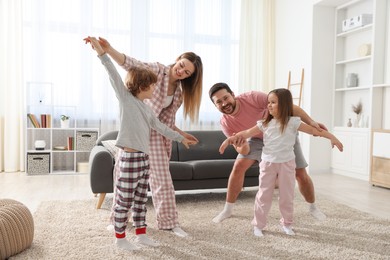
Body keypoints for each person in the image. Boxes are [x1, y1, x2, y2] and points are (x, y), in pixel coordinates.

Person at [84, 36, 195, 251]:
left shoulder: (159, 103)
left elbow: (164, 125)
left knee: (142, 197)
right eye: (182, 65)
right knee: (125, 194)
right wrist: (103, 52)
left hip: (146, 152)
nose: (182, 71)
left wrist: (182, 137)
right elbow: (120, 69)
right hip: (129, 153)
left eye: (187, 72)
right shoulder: (131, 94)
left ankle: (151, 229)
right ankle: (119, 231)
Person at [219, 88, 343, 237]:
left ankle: (287, 223)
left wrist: (332, 137)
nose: (268, 105)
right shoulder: (263, 123)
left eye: (272, 102)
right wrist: (228, 140)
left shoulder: (293, 122)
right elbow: (244, 134)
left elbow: (315, 131)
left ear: (284, 105)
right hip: (268, 164)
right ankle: (258, 225)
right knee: (263, 195)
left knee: (287, 196)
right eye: (268, 102)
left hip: (287, 164)